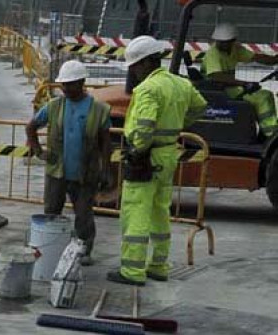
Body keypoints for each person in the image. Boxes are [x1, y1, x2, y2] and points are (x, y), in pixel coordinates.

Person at [108, 36, 207, 286]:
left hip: (147, 157)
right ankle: (159, 266)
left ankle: (132, 271)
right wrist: (177, 125)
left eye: (134, 65)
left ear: (146, 63)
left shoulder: (147, 90)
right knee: (160, 212)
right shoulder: (180, 84)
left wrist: (137, 152)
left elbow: (144, 127)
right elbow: (200, 106)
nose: (132, 71)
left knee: (135, 214)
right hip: (168, 154)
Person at [26, 60, 113, 266]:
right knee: (51, 212)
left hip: (85, 173)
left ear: (82, 82)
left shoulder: (99, 109)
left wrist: (106, 170)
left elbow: (106, 143)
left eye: (70, 84)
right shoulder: (54, 106)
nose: (65, 88)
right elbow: (31, 127)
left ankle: (84, 250)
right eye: (63, 84)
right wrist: (38, 150)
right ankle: (50, 247)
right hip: (57, 171)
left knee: (83, 214)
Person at [203, 23, 278, 138]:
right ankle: (271, 134)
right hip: (218, 90)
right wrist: (244, 83)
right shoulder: (213, 53)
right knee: (263, 97)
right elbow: (216, 76)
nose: (222, 44)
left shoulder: (235, 49)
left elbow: (256, 57)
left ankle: (266, 133)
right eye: (220, 41)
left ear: (233, 40)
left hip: (229, 88)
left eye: (225, 41)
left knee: (266, 94)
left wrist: (273, 59)